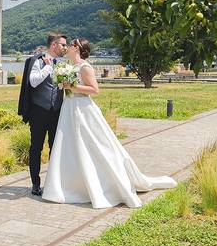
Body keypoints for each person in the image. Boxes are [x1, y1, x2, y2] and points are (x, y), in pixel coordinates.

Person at [42, 38, 176, 207]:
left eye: (71, 45)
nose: (67, 47)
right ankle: (71, 186)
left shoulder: (85, 67)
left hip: (82, 110)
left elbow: (94, 90)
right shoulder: (68, 66)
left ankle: (105, 183)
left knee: (93, 146)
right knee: (70, 147)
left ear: (77, 48)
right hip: (68, 108)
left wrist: (71, 86)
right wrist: (63, 84)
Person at [17, 32, 67, 196]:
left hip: (57, 111)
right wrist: (47, 68)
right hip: (39, 111)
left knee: (56, 148)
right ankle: (35, 184)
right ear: (54, 45)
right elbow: (33, 81)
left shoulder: (63, 64)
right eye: (63, 45)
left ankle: (53, 183)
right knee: (36, 148)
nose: (65, 48)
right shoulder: (37, 61)